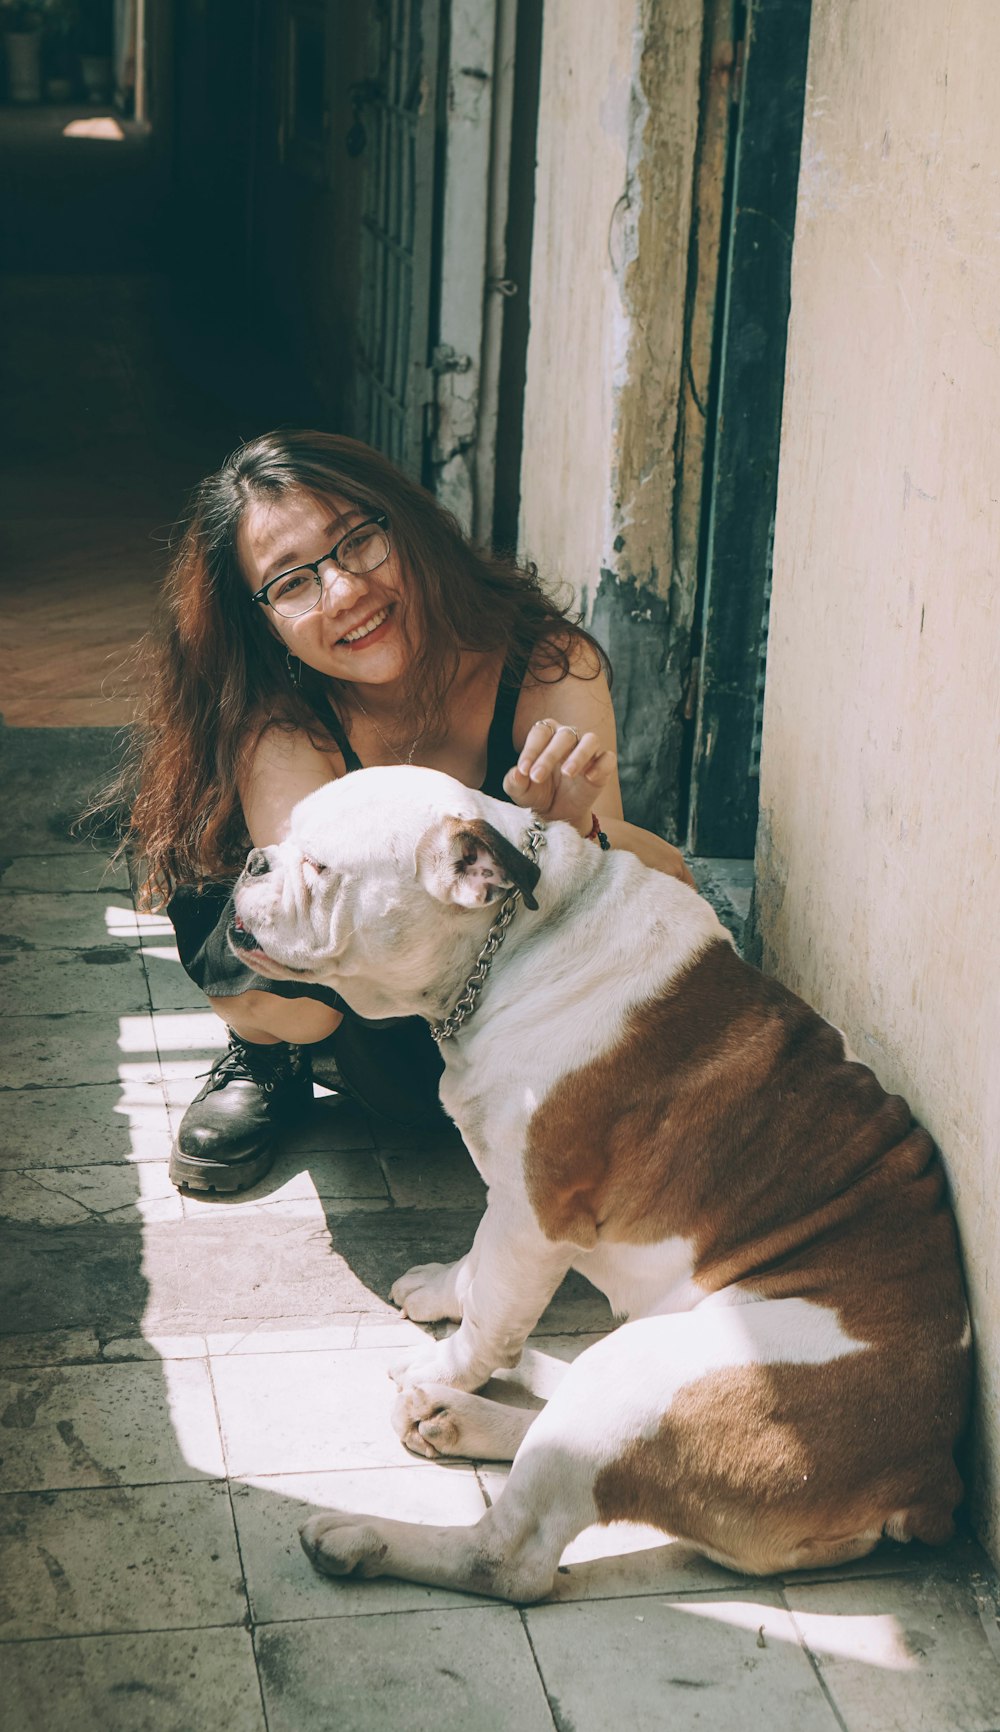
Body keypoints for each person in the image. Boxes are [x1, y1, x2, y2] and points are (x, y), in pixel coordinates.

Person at [119, 429, 694, 1195]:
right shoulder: (281, 727)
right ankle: (265, 1055)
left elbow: (636, 890)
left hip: (509, 971)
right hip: (374, 987)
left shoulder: (546, 663)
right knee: (298, 1006)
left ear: (410, 529)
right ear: (266, 623)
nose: (344, 590)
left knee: (655, 883)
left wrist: (569, 835)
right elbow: (335, 926)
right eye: (292, 583)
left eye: (357, 541)